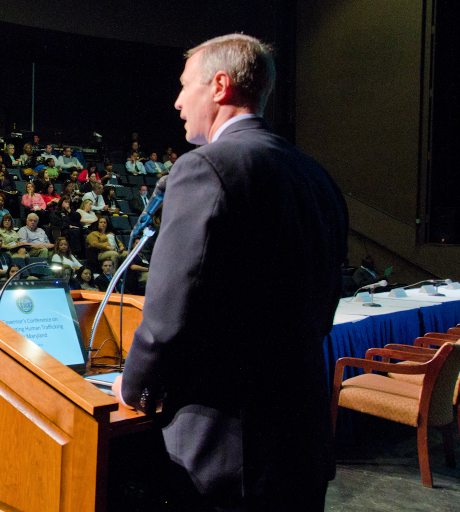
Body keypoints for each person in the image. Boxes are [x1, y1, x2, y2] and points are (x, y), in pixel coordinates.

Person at [116, 35, 348, 511]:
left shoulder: (206, 168)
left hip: (229, 451)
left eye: (185, 87)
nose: (178, 101)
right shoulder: (316, 176)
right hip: (302, 438)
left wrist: (134, 387)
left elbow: (168, 317)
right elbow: (324, 305)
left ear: (219, 86)